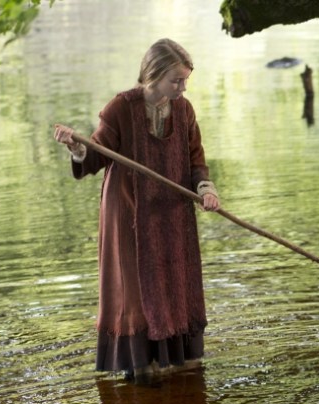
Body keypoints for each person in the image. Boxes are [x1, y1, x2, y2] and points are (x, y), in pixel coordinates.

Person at [53, 38, 220, 380]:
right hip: (128, 213)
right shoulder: (121, 108)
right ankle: (141, 366)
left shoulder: (184, 110)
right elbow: (95, 156)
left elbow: (195, 160)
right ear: (153, 75)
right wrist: (76, 147)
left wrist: (206, 190)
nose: (182, 88)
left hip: (172, 214)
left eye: (185, 80)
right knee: (135, 289)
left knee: (174, 281)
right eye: (176, 80)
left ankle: (177, 363)